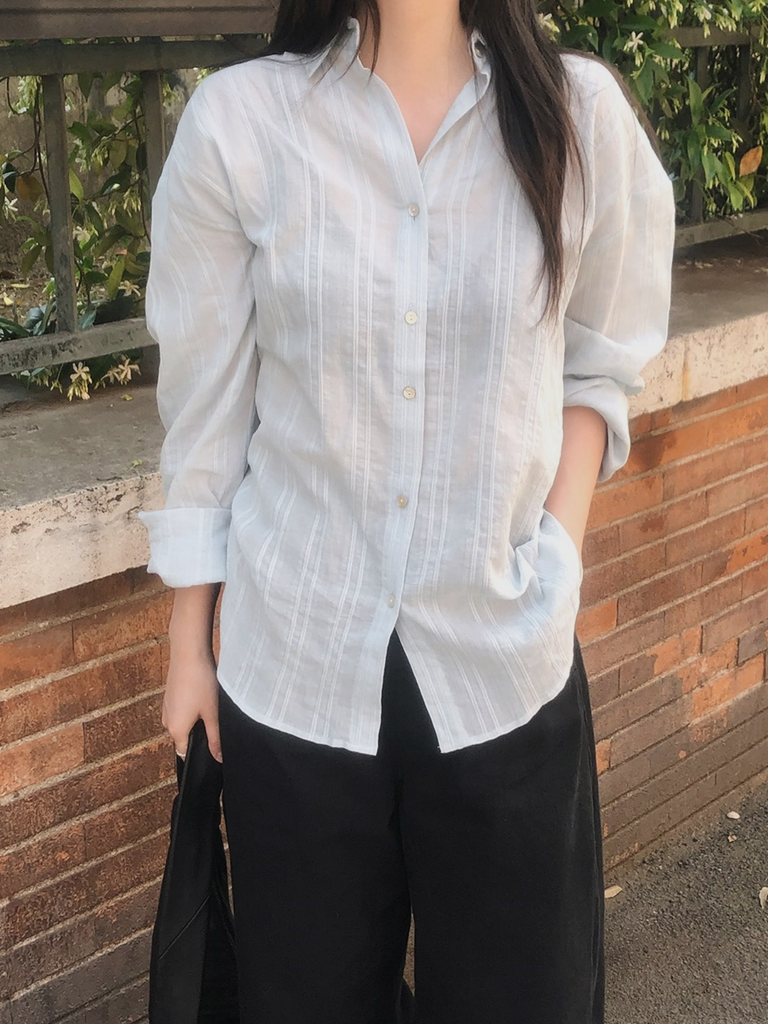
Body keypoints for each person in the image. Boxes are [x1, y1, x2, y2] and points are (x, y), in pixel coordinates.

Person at [138, 1, 676, 1021]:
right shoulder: (243, 124)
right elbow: (206, 419)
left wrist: (558, 559)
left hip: (504, 669)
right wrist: (187, 647)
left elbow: (599, 365)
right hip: (293, 675)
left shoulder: (578, 119)